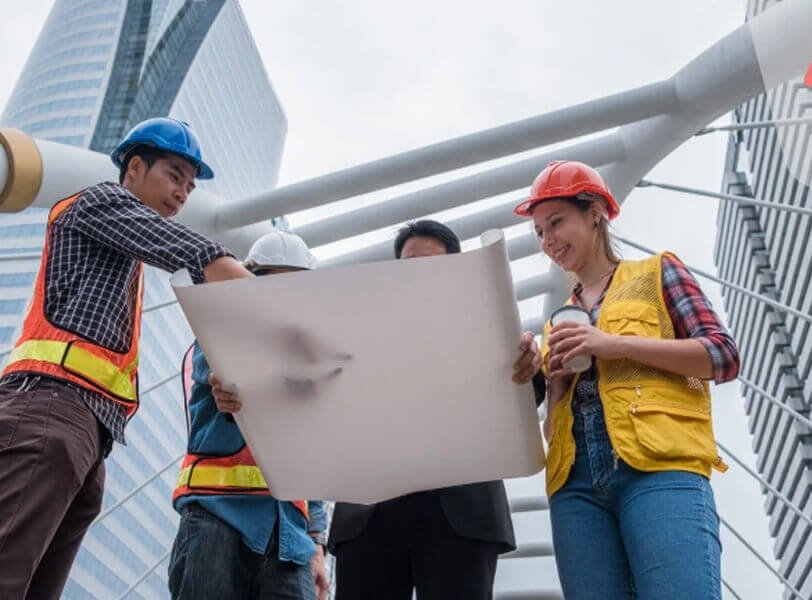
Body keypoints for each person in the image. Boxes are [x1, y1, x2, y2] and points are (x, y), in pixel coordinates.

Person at [0, 117, 253, 599]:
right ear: (135, 167)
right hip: (50, 409)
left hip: (85, 433)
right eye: (175, 175)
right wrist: (281, 310)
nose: (183, 194)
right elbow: (191, 251)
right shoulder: (100, 202)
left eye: (191, 186)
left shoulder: (121, 256)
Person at [514, 160, 741, 599]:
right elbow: (551, 430)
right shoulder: (555, 325)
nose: (547, 241)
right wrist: (552, 383)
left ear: (595, 212)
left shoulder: (657, 273)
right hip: (575, 486)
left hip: (659, 467)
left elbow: (722, 356)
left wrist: (614, 344)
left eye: (556, 222)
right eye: (539, 232)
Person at [327, 219, 545, 600]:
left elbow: (524, 394)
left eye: (432, 266)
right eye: (408, 266)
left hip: (460, 512)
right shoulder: (355, 331)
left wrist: (532, 366)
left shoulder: (487, 326)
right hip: (369, 514)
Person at [168, 230, 329, 600]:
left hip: (292, 539)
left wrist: (316, 545)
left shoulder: (312, 365)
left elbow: (316, 459)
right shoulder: (219, 335)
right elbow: (227, 373)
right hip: (218, 516)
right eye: (273, 285)